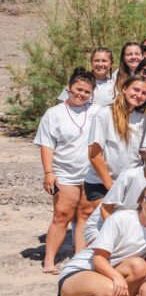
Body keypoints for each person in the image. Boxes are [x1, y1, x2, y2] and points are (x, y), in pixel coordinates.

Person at [58, 181, 146, 296]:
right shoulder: (121, 218)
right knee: (111, 292)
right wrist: (117, 277)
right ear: (140, 200)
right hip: (79, 272)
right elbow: (98, 258)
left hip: (106, 273)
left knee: (140, 266)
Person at [36, 68, 96, 274]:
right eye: (78, 89)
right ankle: (49, 260)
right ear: (69, 88)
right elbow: (46, 144)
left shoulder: (96, 112)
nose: (82, 94)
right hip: (64, 172)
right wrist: (48, 172)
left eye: (87, 91)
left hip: (89, 173)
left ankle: (79, 258)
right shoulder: (54, 114)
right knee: (62, 214)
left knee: (85, 214)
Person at [85, 74, 146, 204]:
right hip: (102, 183)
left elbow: (142, 154)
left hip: (129, 183)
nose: (139, 95)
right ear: (124, 88)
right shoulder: (105, 114)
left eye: (144, 93)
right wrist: (112, 188)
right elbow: (94, 155)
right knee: (105, 217)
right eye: (136, 90)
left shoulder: (143, 119)